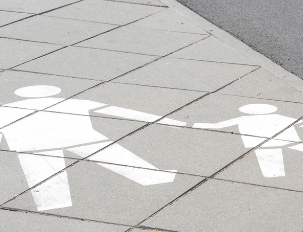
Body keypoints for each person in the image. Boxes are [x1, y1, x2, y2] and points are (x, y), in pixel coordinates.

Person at [0, 85, 183, 211]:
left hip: (34, 147)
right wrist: (177, 122)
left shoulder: (7, 108)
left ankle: (52, 203)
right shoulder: (73, 102)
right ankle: (153, 176)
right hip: (83, 139)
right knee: (120, 159)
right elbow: (122, 112)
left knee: (48, 188)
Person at [193, 104, 303, 178]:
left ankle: (275, 177)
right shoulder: (277, 117)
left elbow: (216, 126)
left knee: (273, 171)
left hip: (264, 146)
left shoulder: (241, 118)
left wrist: (190, 125)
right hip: (287, 140)